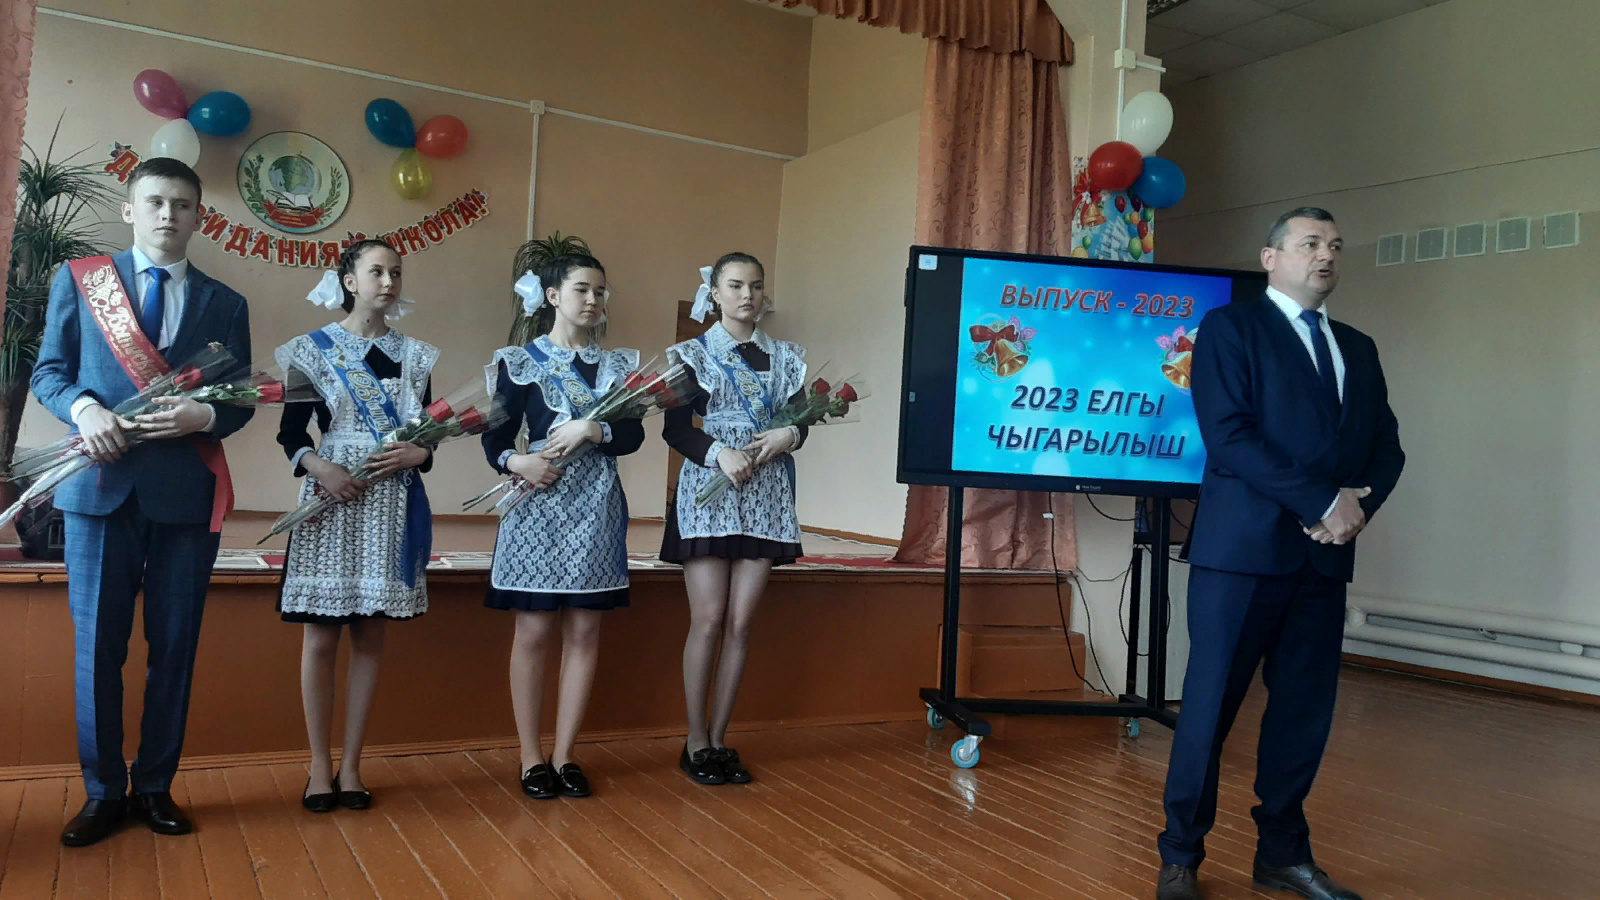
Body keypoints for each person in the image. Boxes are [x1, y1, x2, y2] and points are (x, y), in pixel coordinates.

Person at [1156, 208, 1405, 900]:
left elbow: (1387, 448)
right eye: (1310, 243)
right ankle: (1180, 856)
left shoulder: (1358, 347)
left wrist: (1355, 512)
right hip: (1240, 557)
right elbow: (1229, 435)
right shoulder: (1230, 328)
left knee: (1302, 716)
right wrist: (1324, 503)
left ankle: (1283, 856)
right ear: (1271, 258)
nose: (1326, 255)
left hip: (1322, 561)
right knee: (1209, 710)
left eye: (1335, 245)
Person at [32, 157, 253, 846]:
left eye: (182, 205)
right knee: (98, 649)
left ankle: (155, 786)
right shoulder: (82, 281)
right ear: (131, 210)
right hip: (99, 489)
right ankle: (103, 793)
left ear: (198, 218)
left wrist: (204, 417)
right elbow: (50, 373)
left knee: (175, 646)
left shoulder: (226, 303)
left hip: (185, 496)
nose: (168, 215)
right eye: (155, 202)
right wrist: (86, 408)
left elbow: (240, 400)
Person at [274, 240, 437, 813]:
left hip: (389, 498)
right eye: (376, 272)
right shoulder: (310, 351)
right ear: (348, 280)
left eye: (396, 273)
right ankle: (319, 764)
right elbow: (291, 433)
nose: (388, 282)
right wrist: (322, 468)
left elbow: (427, 437)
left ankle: (352, 766)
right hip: (330, 496)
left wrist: (421, 454)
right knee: (320, 637)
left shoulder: (417, 356)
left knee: (370, 636)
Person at [480, 254, 645, 800]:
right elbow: (494, 437)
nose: (592, 300)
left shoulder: (618, 367)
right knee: (533, 632)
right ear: (553, 296)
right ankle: (531, 757)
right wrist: (517, 461)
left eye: (600, 290)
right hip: (537, 503)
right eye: (581, 289)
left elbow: (632, 437)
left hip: (597, 506)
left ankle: (566, 754)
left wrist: (595, 429)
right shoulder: (519, 362)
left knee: (584, 632)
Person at [660, 253, 807, 785]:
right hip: (709, 492)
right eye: (736, 285)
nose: (747, 295)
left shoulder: (787, 357)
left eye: (756, 286)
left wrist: (791, 434)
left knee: (742, 623)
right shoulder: (690, 355)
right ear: (716, 294)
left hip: (766, 493)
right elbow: (676, 429)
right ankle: (694, 740)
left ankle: (721, 739)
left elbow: (800, 420)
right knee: (708, 619)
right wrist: (718, 451)